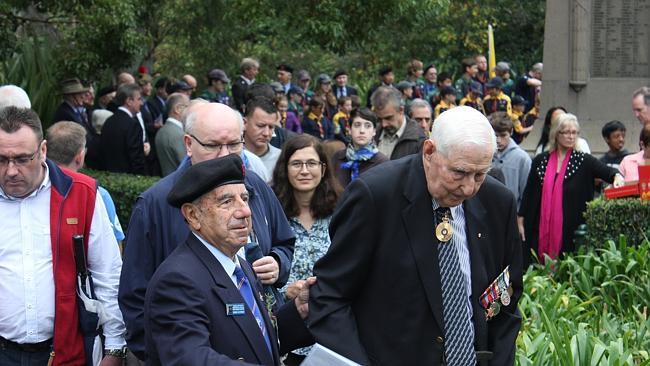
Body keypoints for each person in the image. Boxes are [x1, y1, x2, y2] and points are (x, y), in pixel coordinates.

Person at [308, 106, 524, 365]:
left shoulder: (498, 201)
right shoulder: (376, 196)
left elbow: (505, 298)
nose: (468, 188)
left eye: (480, 174)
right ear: (430, 151)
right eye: (459, 172)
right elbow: (329, 296)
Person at [118, 102, 295, 362]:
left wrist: (281, 265)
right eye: (213, 145)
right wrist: (162, 353)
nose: (225, 155)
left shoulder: (253, 186)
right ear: (189, 144)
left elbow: (283, 242)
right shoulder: (155, 205)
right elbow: (137, 301)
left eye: (234, 144)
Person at [145, 154, 313, 365]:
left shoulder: (240, 266)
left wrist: (299, 310)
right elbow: (191, 359)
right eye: (227, 201)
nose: (245, 211)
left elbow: (257, 340)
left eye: (245, 198)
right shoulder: (176, 281)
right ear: (193, 215)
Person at [0, 107, 126, 365]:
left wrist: (114, 348)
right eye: (1, 159)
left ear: (43, 151)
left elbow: (107, 273)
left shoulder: (82, 193)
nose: (11, 170)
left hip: (66, 351)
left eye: (23, 159)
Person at [270, 135, 341, 365]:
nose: (304, 171)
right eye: (296, 163)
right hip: (286, 330)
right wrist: (286, 292)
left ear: (323, 168)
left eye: (311, 163)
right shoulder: (272, 216)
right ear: (285, 168)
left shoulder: (340, 212)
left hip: (332, 328)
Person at [519, 113, 623, 264]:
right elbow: (528, 192)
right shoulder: (541, 161)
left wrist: (617, 177)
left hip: (570, 233)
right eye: (566, 132)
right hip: (537, 229)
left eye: (574, 132)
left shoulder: (583, 161)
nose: (570, 136)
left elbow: (608, 172)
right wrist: (520, 219)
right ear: (556, 134)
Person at [331, 108, 389, 187]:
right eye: (357, 125)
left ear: (374, 131)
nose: (362, 130)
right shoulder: (337, 157)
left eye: (367, 126)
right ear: (350, 129)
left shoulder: (382, 162)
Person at [99, 83, 147, 174]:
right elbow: (136, 159)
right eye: (139, 99)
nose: (141, 103)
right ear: (129, 101)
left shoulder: (109, 121)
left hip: (109, 176)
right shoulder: (133, 125)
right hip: (129, 178)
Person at [489, 112, 531, 209]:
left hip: (512, 213)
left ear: (511, 132)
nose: (498, 140)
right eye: (495, 136)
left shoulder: (522, 158)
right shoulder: (483, 155)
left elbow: (526, 193)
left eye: (503, 135)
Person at [372, 86, 426, 160]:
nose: (384, 124)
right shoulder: (372, 134)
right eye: (379, 119)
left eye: (388, 118)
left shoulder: (418, 139)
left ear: (401, 110)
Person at [243, 97, 282, 180]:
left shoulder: (281, 159)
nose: (266, 133)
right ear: (244, 123)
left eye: (271, 127)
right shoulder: (232, 155)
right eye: (260, 126)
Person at [156, 93, 190, 176]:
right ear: (178, 109)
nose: (190, 111)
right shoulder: (179, 135)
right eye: (188, 107)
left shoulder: (161, 131)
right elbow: (187, 166)